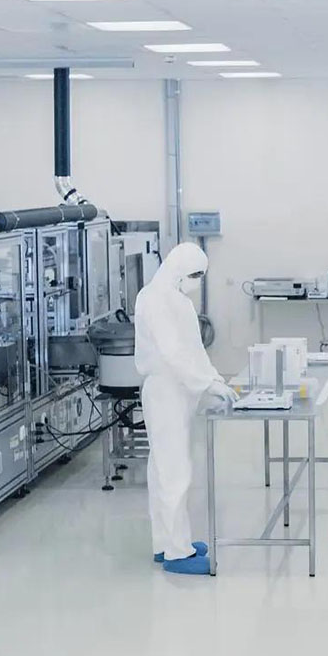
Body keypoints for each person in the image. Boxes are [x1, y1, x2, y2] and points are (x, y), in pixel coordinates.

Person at [134, 242, 237, 575]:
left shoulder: (177, 300)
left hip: (178, 390)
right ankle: (178, 553)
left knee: (164, 469)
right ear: (177, 269)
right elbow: (172, 354)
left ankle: (167, 543)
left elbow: (194, 350)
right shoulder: (154, 299)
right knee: (173, 471)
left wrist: (215, 380)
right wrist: (206, 384)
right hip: (165, 390)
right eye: (194, 275)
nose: (196, 281)